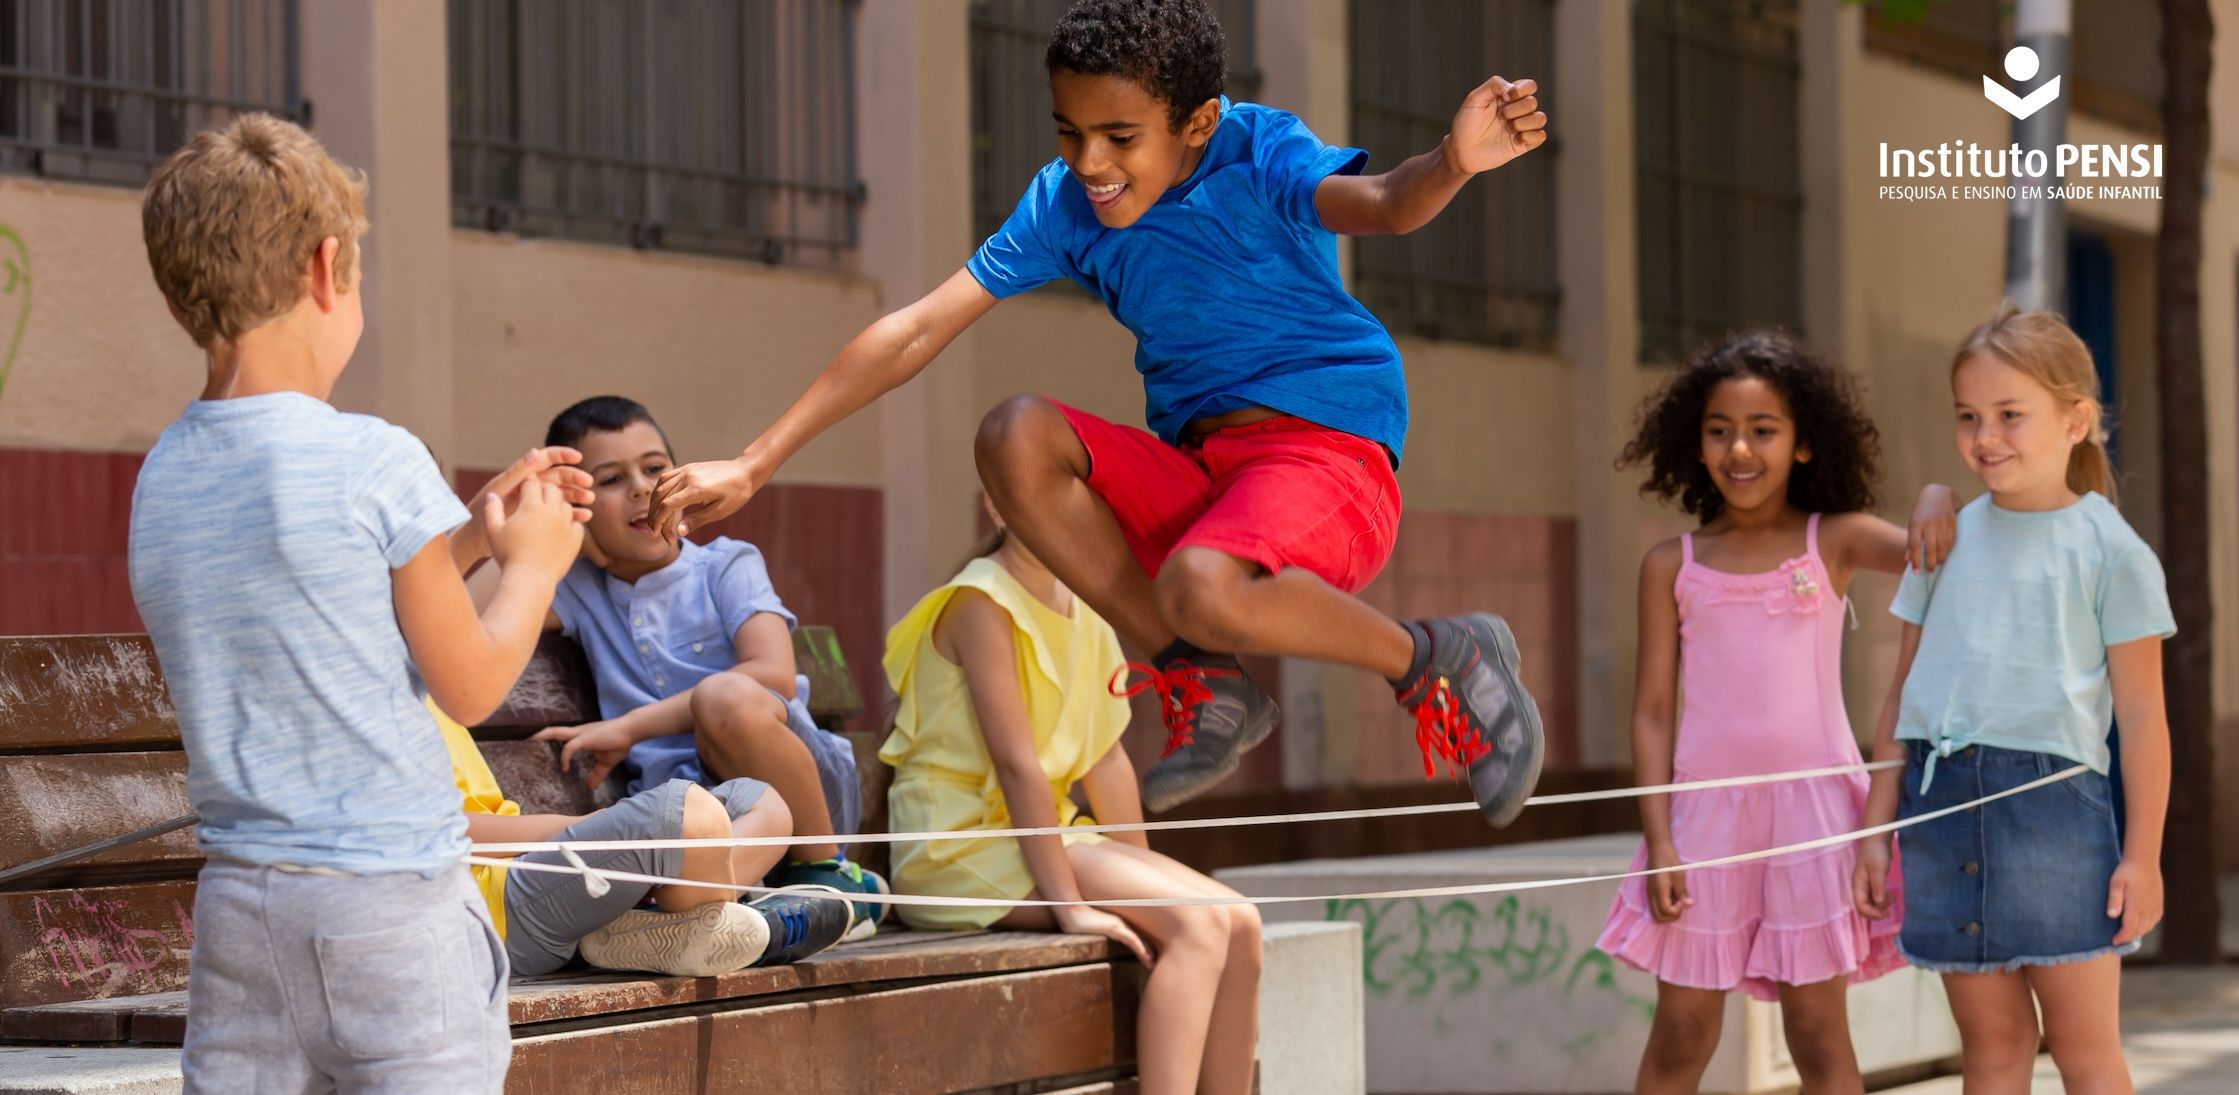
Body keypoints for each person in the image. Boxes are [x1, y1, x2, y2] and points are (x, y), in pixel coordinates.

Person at [649, 0, 1552, 823]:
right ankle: (1198, 670)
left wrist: (1452, 161)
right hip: (1203, 471)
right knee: (1015, 434)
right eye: (1070, 132)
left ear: (1196, 122)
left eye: (1120, 136)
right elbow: (917, 329)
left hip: (1328, 457)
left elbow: (1386, 204)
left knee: (1200, 583)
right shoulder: (1064, 205)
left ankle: (1436, 656)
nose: (1090, 163)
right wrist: (757, 460)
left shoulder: (1256, 151)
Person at [129, 113, 587, 1092]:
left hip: (242, 919)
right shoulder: (372, 458)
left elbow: (320, 603)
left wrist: (461, 532)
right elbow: (466, 686)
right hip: (392, 912)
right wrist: (534, 565)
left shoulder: (166, 474)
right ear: (328, 269)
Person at [1594, 332, 1957, 1094]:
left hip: (1815, 821)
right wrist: (1659, 838)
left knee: (1818, 1033)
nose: (1739, 449)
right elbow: (1653, 712)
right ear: (1694, 445)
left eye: (1762, 429)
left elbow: (1940, 554)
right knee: (1681, 1032)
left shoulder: (1836, 539)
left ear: (1800, 443)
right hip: (1701, 825)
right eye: (1719, 430)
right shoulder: (1671, 564)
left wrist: (1937, 496)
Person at [1855, 306, 2172, 1092]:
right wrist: (1872, 829)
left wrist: (2142, 855)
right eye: (1967, 416)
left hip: (2054, 817)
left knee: (2082, 1048)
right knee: (1992, 1048)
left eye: (2008, 414)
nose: (1984, 435)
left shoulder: (2111, 550)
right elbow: (1902, 694)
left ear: (2074, 421)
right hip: (1938, 810)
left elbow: (2140, 717)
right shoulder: (1941, 539)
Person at [882, 502, 1261, 1095]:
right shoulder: (980, 600)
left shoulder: (1087, 609)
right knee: (1199, 927)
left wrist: (1143, 879)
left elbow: (1106, 761)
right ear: (994, 502)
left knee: (1240, 922)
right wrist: (1072, 906)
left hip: (1043, 833)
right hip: (957, 847)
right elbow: (1016, 764)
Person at [515, 396, 888, 929]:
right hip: (695, 815)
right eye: (611, 479)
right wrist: (545, 523)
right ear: (579, 501)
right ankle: (735, 914)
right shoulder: (578, 590)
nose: (642, 489)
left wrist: (631, 726)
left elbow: (772, 674)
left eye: (653, 468)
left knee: (725, 698)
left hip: (803, 796)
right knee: (670, 844)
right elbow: (476, 606)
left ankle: (828, 873)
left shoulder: (726, 565)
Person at [435, 703, 853, 976]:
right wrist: (581, 827)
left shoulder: (423, 681)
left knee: (764, 801)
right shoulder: (376, 701)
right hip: (494, 911)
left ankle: (668, 926)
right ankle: (738, 932)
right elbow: (433, 834)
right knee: (685, 814)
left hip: (538, 875)